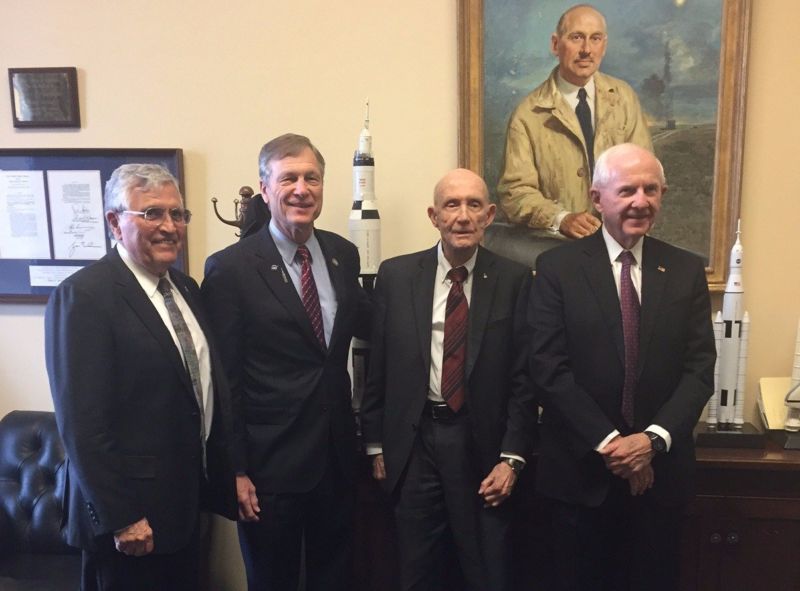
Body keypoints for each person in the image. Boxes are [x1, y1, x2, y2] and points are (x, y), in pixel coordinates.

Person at [529, 143, 716, 591]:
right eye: (628, 190)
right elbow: (548, 367)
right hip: (579, 477)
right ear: (597, 199)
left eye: (651, 190)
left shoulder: (687, 270)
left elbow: (699, 369)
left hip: (661, 480)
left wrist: (651, 442)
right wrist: (618, 447)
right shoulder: (556, 268)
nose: (641, 201)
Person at [45, 163, 238, 591]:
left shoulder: (185, 288)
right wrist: (123, 516)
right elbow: (82, 424)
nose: (169, 226)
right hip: (130, 525)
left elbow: (200, 392)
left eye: (177, 214)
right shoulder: (84, 297)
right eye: (151, 214)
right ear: (115, 221)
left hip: (183, 509)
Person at [201, 133, 370, 591]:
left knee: (335, 578)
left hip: (335, 460)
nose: (301, 188)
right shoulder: (230, 268)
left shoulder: (342, 254)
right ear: (264, 187)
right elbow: (225, 378)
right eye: (288, 178)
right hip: (268, 468)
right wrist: (234, 469)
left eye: (311, 178)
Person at [361, 168, 536, 591]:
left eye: (473, 205)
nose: (462, 216)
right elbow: (378, 364)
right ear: (433, 215)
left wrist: (512, 457)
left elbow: (524, 379)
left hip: (482, 446)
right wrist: (375, 442)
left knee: (485, 570)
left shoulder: (515, 280)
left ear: (489, 214)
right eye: (451, 205)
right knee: (416, 570)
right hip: (415, 441)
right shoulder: (398, 276)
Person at [497, 4, 653, 239]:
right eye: (576, 37)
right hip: (561, 249)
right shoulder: (528, 114)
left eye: (595, 38)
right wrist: (560, 218)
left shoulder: (624, 99)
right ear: (555, 44)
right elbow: (514, 193)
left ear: (604, 46)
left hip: (623, 243)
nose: (586, 50)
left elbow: (644, 173)